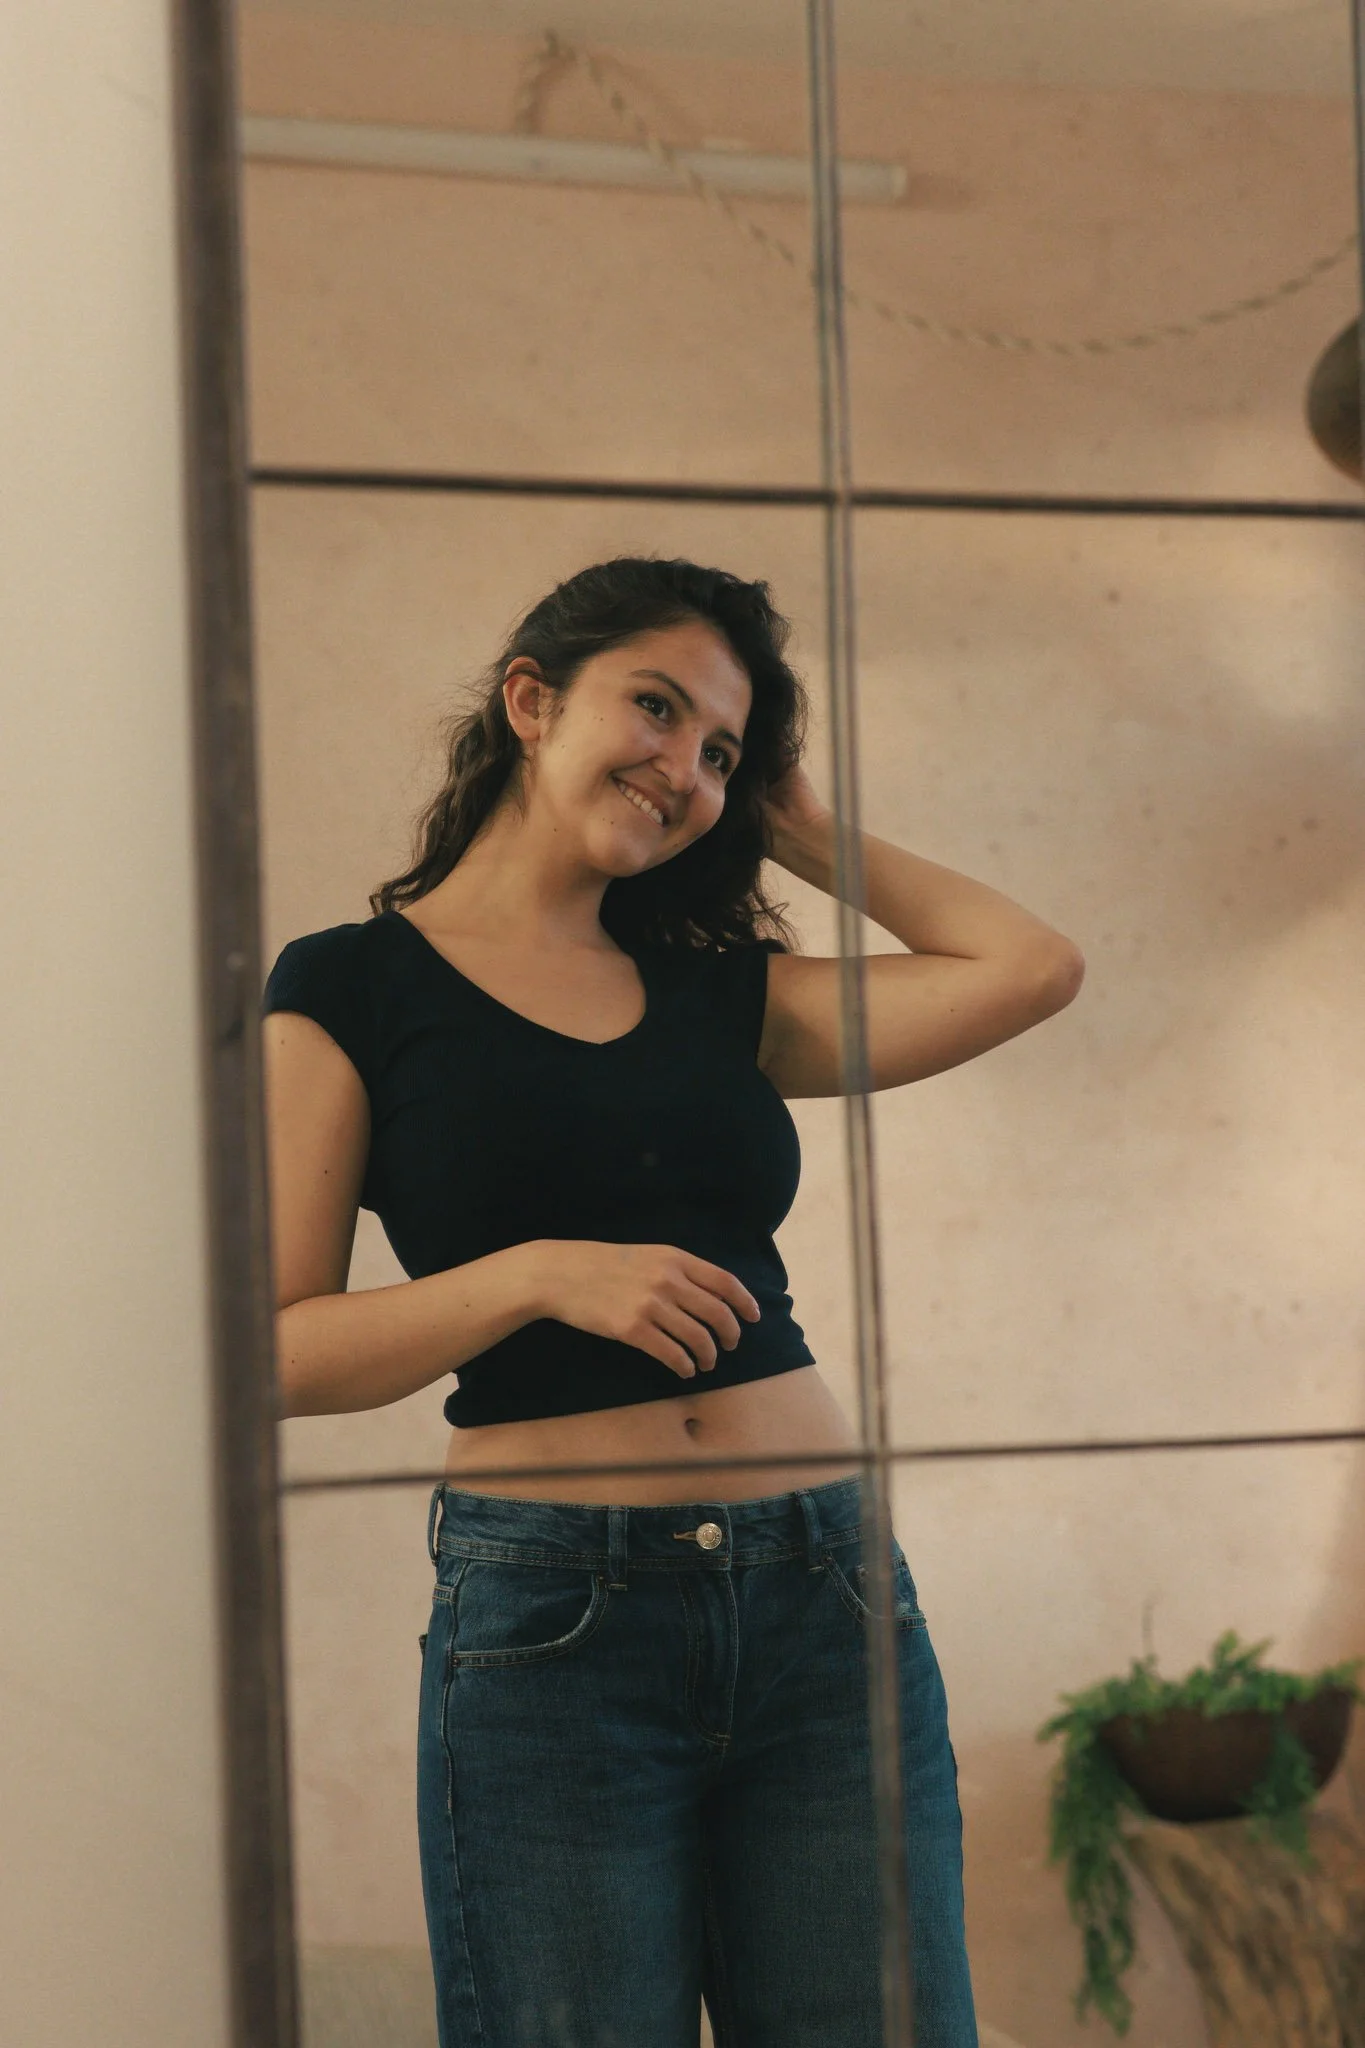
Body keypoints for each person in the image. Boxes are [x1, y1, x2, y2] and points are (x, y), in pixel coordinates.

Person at [261, 556, 1084, 2048]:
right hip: (558, 1620)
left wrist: (794, 816)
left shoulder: (721, 985)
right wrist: (532, 1278)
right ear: (530, 699)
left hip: (825, 1593)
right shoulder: (349, 988)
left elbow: (1031, 969)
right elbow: (268, 1354)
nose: (682, 766)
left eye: (720, 747)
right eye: (654, 706)